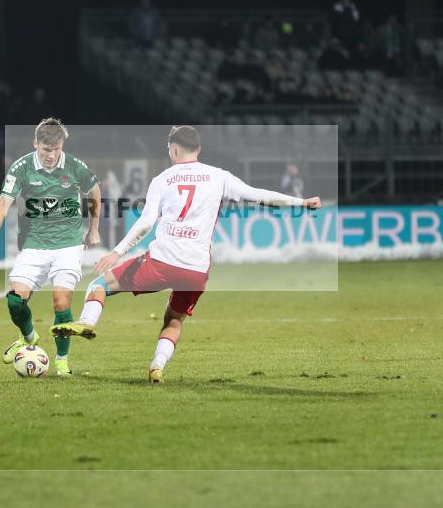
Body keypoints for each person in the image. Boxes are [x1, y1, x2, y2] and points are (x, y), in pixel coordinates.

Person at [51, 125, 321, 383]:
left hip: (161, 262)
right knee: (174, 319)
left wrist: (117, 252)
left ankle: (87, 321)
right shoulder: (219, 176)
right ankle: (157, 366)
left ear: (173, 149)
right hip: (196, 270)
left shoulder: (163, 179)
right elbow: (257, 195)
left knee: (99, 286)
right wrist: (301, 202)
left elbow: (146, 223)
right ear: (198, 150)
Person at [0, 118, 101, 376]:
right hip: (33, 245)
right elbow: (3, 205)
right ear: (35, 143)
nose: (51, 156)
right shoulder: (21, 168)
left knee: (61, 302)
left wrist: (93, 229)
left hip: (68, 244)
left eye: (56, 150)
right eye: (45, 150)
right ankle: (29, 338)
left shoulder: (74, 167)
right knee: (15, 302)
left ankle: (62, 361)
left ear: (62, 145)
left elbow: (94, 190)